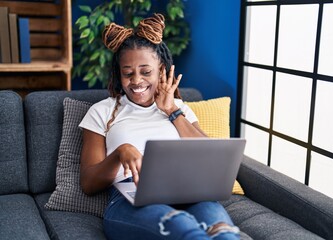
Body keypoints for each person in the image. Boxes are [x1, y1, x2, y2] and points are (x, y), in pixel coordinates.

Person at [79, 13, 241, 240]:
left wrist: (172, 111)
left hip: (189, 193)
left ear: (162, 70)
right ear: (119, 73)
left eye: (146, 72)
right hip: (129, 199)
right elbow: (88, 183)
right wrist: (120, 153)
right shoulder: (102, 111)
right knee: (184, 229)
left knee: (225, 234)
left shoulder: (180, 108)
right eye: (127, 73)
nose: (136, 81)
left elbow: (209, 155)